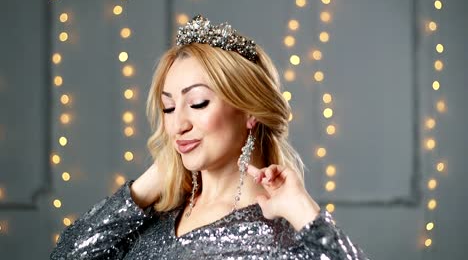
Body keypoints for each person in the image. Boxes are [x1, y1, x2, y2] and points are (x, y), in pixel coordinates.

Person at [50, 15, 369, 259]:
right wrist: (143, 189)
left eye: (198, 103)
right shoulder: (153, 216)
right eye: (169, 107)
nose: (178, 125)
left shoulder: (282, 236)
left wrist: (300, 208)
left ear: (249, 111)